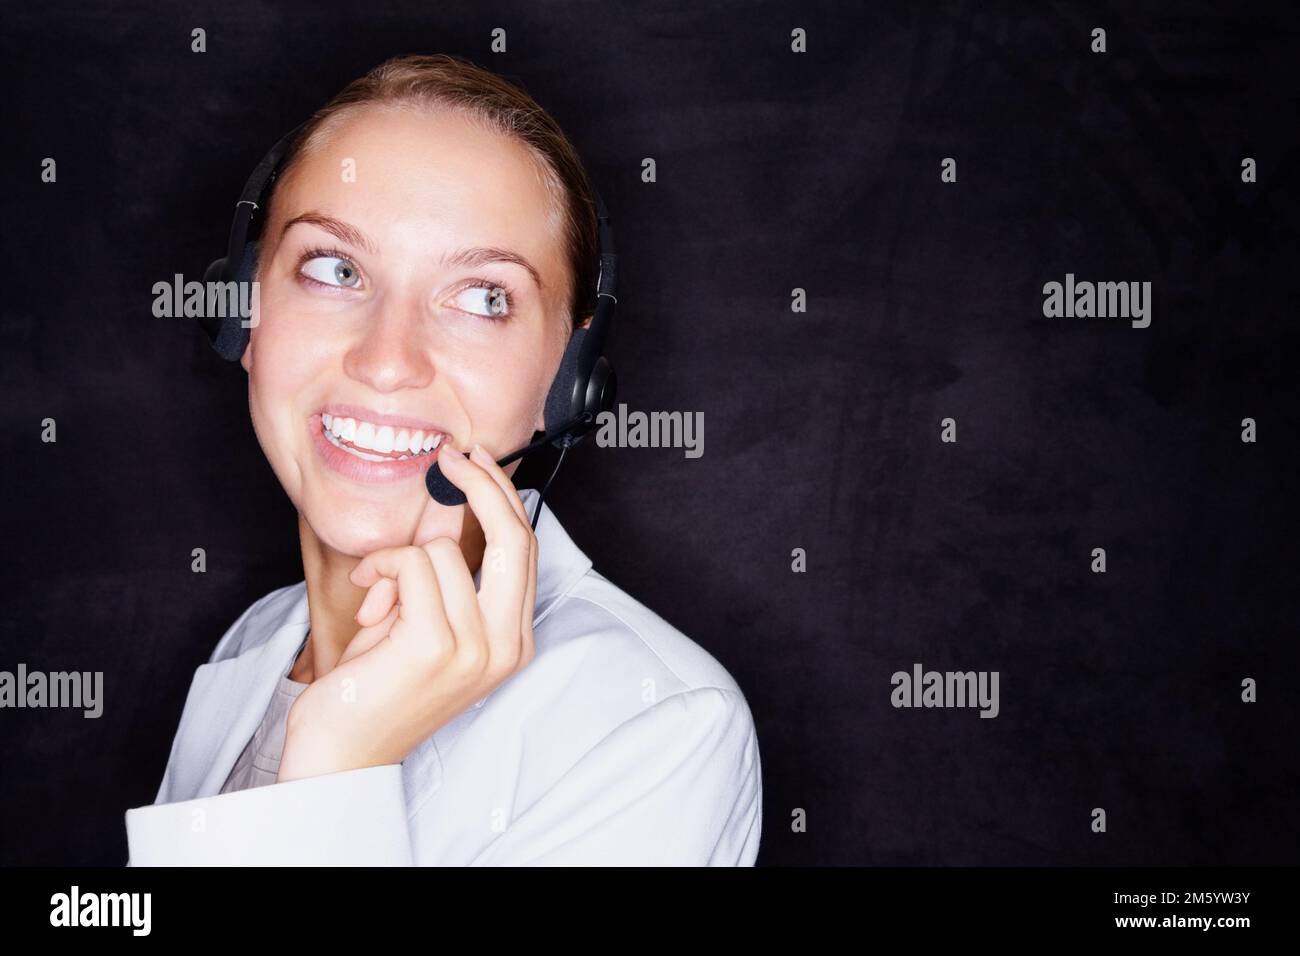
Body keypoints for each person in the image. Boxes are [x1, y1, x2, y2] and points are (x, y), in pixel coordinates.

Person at [124, 54, 762, 865]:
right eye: (334, 269)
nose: (388, 361)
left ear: (567, 384)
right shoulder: (257, 640)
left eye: (483, 297)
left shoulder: (657, 729)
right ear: (243, 316)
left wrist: (337, 763)